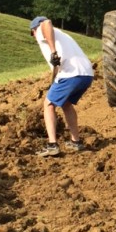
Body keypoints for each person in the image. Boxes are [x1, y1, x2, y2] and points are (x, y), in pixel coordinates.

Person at [30, 16, 94, 157]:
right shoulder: (62, 36)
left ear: (34, 30)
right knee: (65, 104)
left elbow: (46, 22)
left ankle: (52, 145)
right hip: (86, 75)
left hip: (71, 74)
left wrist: (53, 52)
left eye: (32, 33)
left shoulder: (42, 30)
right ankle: (75, 142)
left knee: (48, 104)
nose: (34, 37)